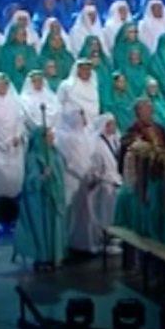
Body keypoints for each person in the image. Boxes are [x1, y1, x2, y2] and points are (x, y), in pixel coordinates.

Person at [13, 126, 67, 270]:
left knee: (54, 227)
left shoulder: (54, 152)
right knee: (43, 229)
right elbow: (30, 181)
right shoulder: (34, 156)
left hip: (54, 196)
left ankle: (55, 256)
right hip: (39, 200)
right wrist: (42, 176)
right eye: (49, 136)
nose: (52, 138)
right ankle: (43, 257)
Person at [56, 104, 98, 254]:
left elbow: (90, 155)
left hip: (86, 179)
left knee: (86, 213)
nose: (84, 119)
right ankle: (68, 243)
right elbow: (69, 162)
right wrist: (82, 174)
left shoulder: (86, 134)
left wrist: (91, 172)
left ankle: (85, 243)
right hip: (72, 180)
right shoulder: (65, 137)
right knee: (71, 212)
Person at [90, 114, 122, 255]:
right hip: (104, 185)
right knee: (104, 215)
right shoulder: (97, 144)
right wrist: (106, 179)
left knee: (113, 214)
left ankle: (113, 237)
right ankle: (103, 241)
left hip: (116, 181)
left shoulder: (116, 139)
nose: (113, 127)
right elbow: (96, 168)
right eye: (110, 124)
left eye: (114, 124)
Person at [56, 59, 100, 124]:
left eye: (88, 69)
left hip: (91, 125)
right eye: (84, 69)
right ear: (78, 70)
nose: (86, 72)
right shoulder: (67, 85)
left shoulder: (93, 86)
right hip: (70, 125)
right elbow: (58, 104)